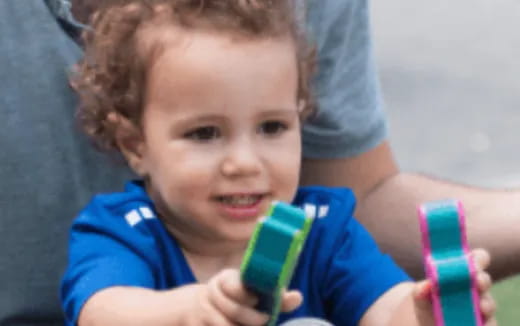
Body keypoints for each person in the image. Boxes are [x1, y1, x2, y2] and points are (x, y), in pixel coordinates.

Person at [0, 0, 513, 325]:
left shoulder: (323, 229)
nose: (245, 162)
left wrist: (422, 310)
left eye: (272, 128)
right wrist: (191, 310)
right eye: (205, 134)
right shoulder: (123, 230)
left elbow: (381, 305)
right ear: (136, 144)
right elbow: (103, 311)